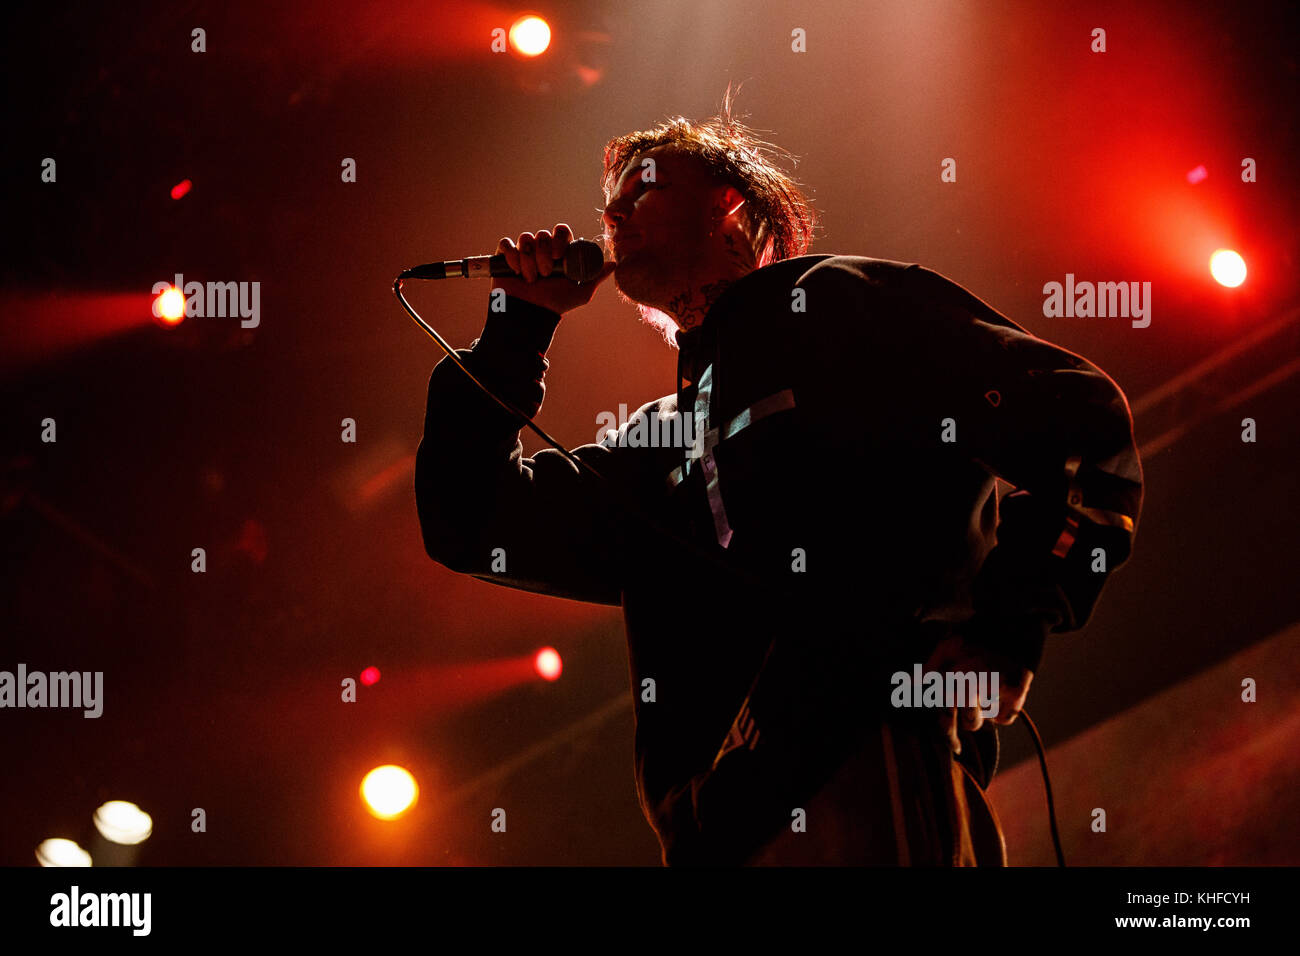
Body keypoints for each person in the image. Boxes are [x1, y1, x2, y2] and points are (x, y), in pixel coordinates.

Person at [414, 93, 1144, 866]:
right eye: (607, 206)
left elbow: (1081, 417)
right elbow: (472, 523)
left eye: (644, 186)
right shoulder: (657, 441)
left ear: (730, 202)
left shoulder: (838, 302)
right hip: (719, 836)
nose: (615, 216)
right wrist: (517, 327)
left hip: (867, 774)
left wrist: (1009, 628)